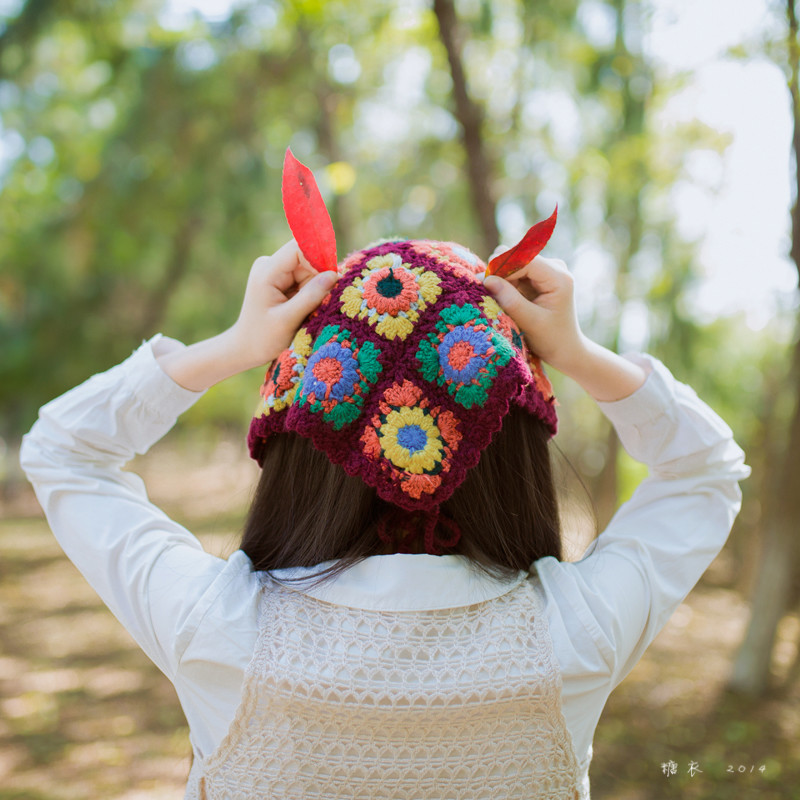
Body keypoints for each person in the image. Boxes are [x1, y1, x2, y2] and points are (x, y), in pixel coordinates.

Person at [20, 237, 750, 799]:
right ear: (514, 445)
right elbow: (706, 470)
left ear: (299, 436)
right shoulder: (574, 635)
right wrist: (578, 352)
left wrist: (236, 347)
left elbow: (63, 452)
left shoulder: (221, 631)